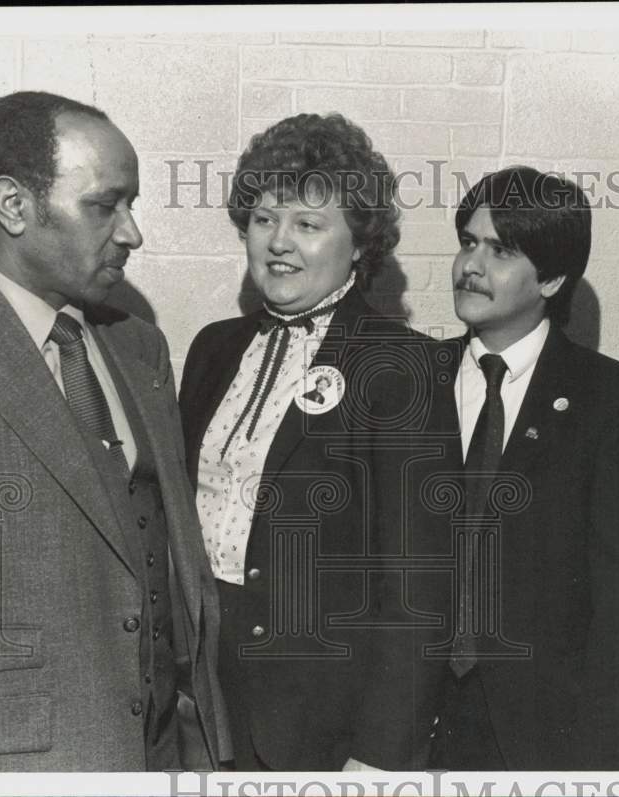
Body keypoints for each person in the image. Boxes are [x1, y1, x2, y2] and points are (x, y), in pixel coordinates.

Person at [0, 91, 228, 771]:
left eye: (133, 204)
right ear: (14, 206)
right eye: (104, 205)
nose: (132, 232)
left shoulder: (140, 347)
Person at [178, 113, 457, 771]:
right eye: (265, 218)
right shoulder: (213, 348)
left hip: (323, 721)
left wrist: (383, 752)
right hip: (203, 705)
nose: (279, 242)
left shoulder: (401, 365)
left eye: (308, 224)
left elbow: (420, 581)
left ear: (360, 244)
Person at [429, 166, 619, 770]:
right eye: (468, 242)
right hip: (409, 729)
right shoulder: (408, 380)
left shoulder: (615, 402)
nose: (470, 266)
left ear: (553, 277)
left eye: (501, 251)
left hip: (544, 739)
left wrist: (594, 765)